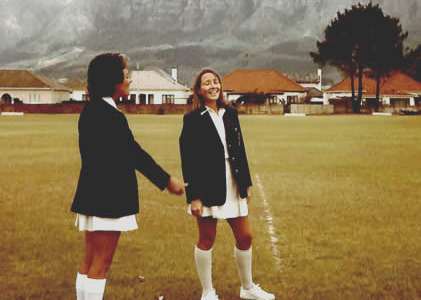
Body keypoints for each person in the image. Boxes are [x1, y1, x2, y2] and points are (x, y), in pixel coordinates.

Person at [71, 53, 187, 300]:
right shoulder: (110, 115)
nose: (130, 80)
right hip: (108, 198)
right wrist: (167, 181)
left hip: (91, 194)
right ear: (113, 81)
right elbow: (134, 154)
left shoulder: (92, 109)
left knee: (89, 261)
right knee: (100, 265)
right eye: (126, 76)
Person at [179, 69, 275, 300]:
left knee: (245, 236)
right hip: (206, 184)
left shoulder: (231, 113)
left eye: (216, 81)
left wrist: (247, 184)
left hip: (234, 180)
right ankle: (208, 292)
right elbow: (188, 158)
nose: (213, 86)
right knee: (207, 238)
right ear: (199, 90)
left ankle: (248, 288)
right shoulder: (192, 118)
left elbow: (239, 149)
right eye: (207, 83)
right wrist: (194, 196)